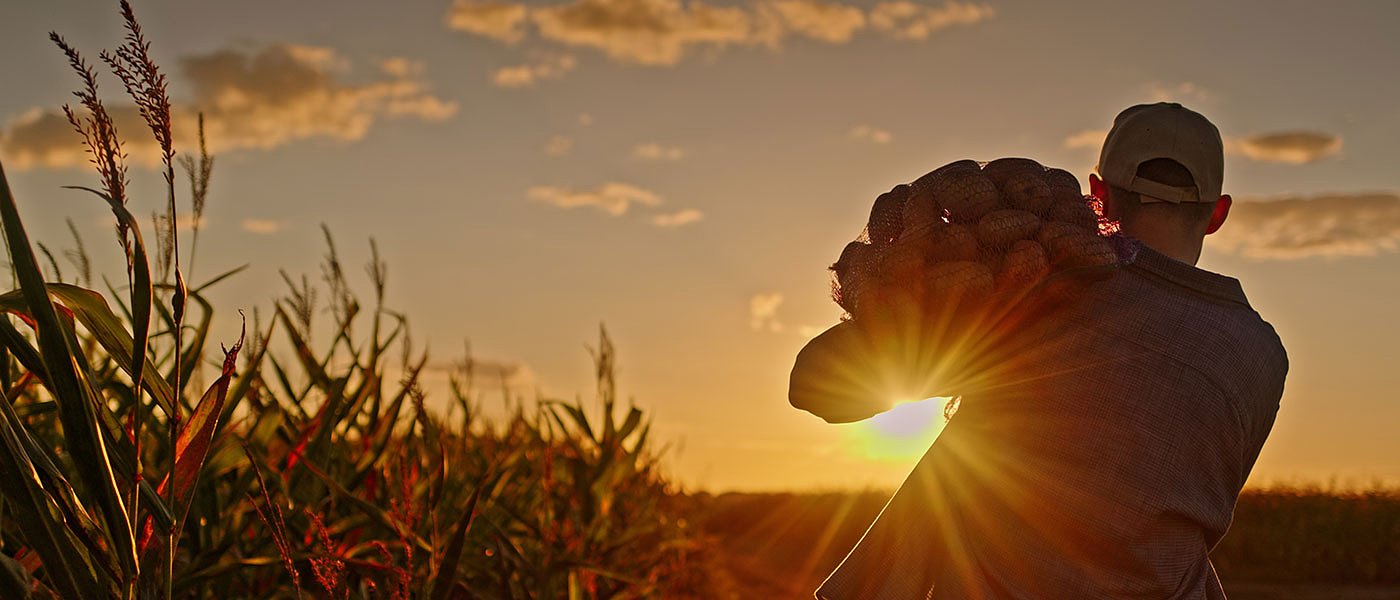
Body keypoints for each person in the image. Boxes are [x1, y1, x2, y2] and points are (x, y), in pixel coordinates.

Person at [789, 103, 1289, 599]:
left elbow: (814, 386)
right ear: (1218, 213)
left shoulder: (1046, 291)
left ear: (1100, 195)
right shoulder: (1260, 355)